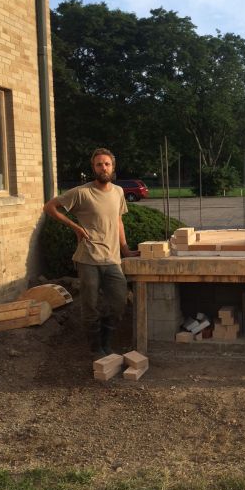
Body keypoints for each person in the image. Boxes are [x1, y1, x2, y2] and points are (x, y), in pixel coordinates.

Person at [44, 148, 139, 358]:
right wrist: (75, 227)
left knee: (118, 303)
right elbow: (50, 207)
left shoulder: (118, 192)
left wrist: (125, 249)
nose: (103, 168)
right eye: (99, 164)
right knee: (90, 306)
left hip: (112, 258)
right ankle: (96, 348)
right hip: (88, 258)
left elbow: (118, 221)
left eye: (106, 164)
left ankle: (106, 341)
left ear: (113, 167)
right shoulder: (82, 192)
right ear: (93, 168)